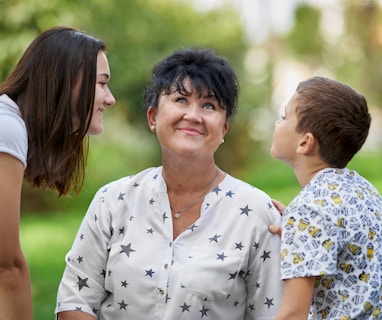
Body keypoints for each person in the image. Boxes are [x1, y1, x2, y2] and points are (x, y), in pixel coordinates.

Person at [55, 47, 283, 320]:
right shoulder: (113, 201)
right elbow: (75, 301)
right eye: (180, 99)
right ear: (153, 117)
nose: (193, 116)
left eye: (209, 105)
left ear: (223, 130)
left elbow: (274, 313)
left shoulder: (257, 214)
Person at [0, 26, 115, 320]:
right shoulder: (6, 127)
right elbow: (6, 266)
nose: (110, 98)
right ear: (68, 81)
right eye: (102, 84)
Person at [270, 76, 382, 319]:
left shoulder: (309, 210)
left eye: (284, 116)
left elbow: (293, 313)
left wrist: (300, 223)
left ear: (305, 142)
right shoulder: (365, 190)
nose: (277, 123)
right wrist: (297, 228)